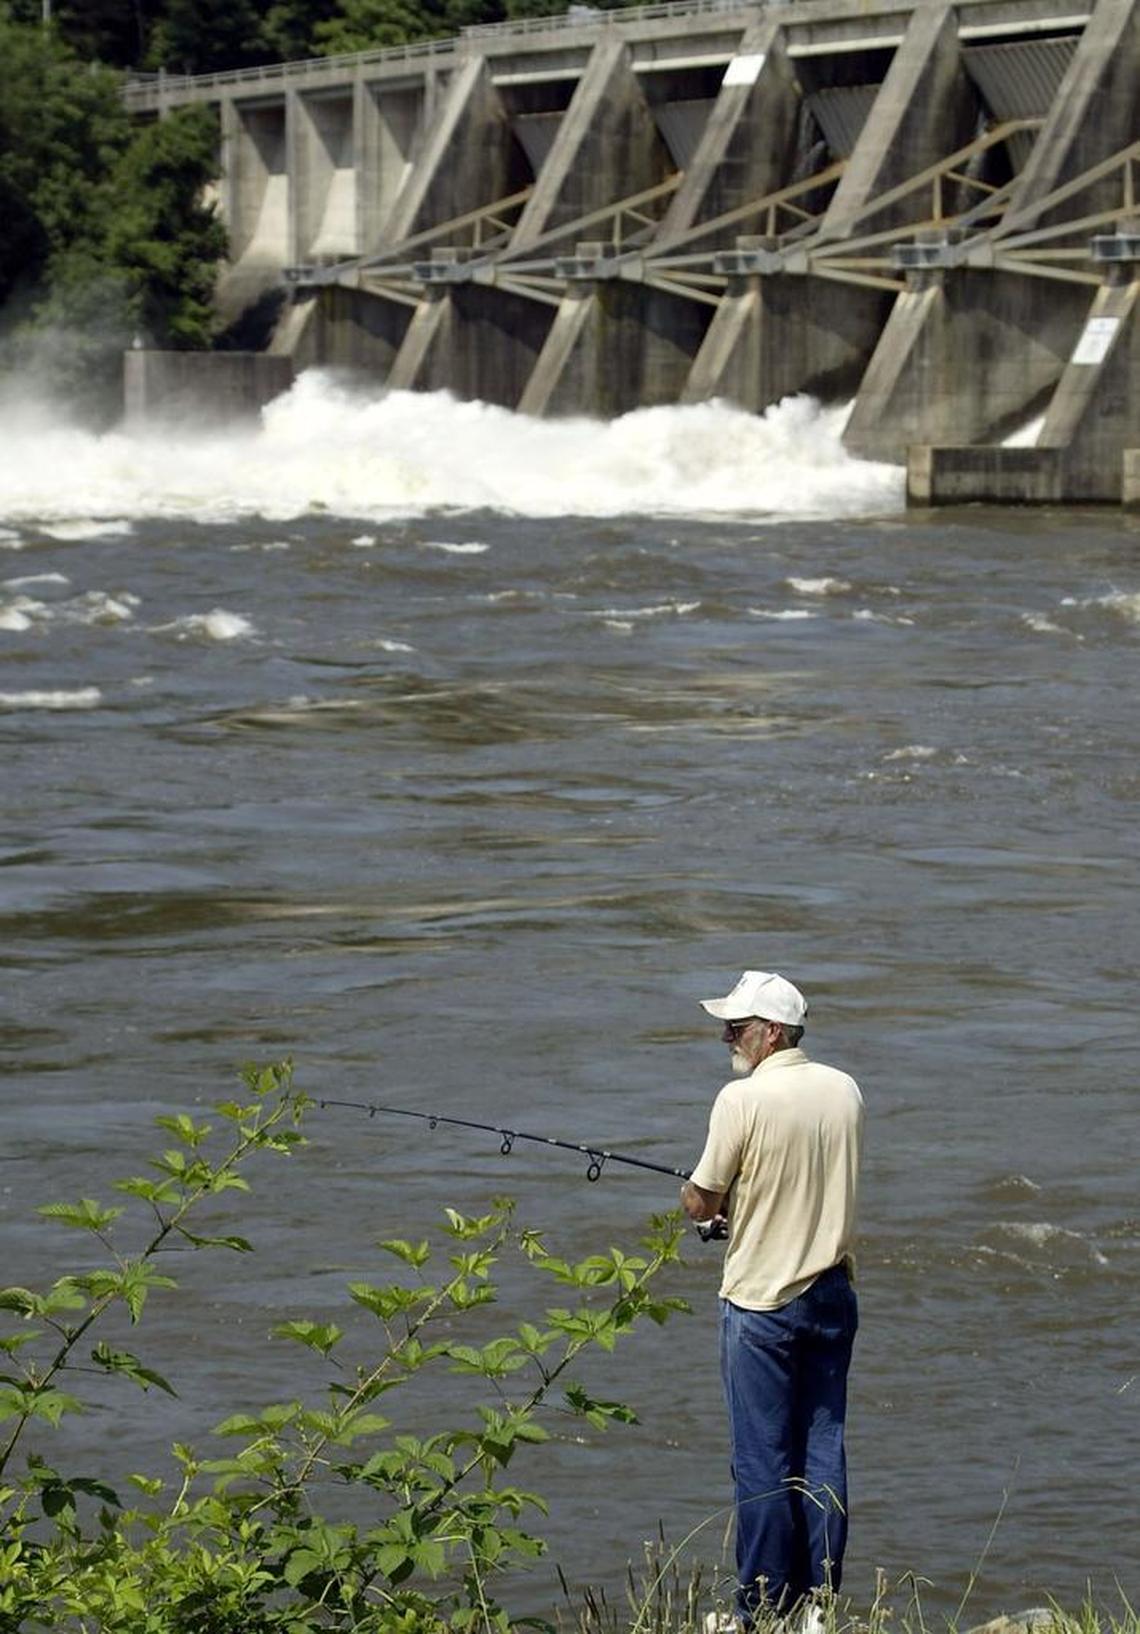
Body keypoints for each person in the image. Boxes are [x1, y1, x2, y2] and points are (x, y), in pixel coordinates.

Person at [681, 970, 864, 1628]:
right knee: (822, 1453)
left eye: (736, 1028)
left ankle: (758, 1610)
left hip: (761, 1302)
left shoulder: (742, 1099)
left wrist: (707, 1209)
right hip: (833, 1294)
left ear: (772, 1033)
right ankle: (819, 1606)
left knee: (761, 1460)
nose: (727, 1038)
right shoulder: (845, 1090)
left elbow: (702, 1197)